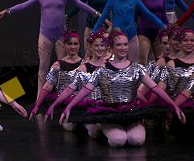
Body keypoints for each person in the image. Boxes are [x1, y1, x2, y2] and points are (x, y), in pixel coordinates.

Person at [54, 30, 185, 147]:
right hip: (111, 112)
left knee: (137, 140)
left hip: (130, 111)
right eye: (118, 45)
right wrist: (69, 106)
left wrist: (174, 105)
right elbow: (85, 90)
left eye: (125, 44)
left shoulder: (136, 68)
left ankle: (129, 128)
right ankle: (102, 129)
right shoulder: (102, 70)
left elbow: (155, 88)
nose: (122, 48)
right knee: (118, 141)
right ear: (111, 47)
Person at [0, 0, 98, 100]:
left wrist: (96, 13)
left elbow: (79, 4)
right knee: (43, 67)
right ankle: (39, 99)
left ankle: (63, 97)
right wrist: (7, 11)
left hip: (61, 36)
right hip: (45, 35)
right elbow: (24, 5)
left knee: (63, 67)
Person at [91, 0, 166, 62]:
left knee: (133, 64)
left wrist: (163, 25)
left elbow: (148, 14)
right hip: (117, 36)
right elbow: (102, 18)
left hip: (132, 36)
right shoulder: (112, 0)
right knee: (118, 64)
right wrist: (93, 33)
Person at [28, 30, 83, 131]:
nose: (73, 47)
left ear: (79, 45)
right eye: (69, 44)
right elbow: (47, 87)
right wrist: (37, 105)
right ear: (64, 45)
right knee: (70, 126)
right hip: (64, 101)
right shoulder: (58, 65)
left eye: (75, 44)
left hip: (81, 101)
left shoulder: (84, 64)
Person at [135, 0, 169, 64]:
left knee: (161, 61)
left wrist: (167, 32)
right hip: (144, 33)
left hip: (158, 33)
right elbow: (134, 17)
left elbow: (164, 17)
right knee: (142, 61)